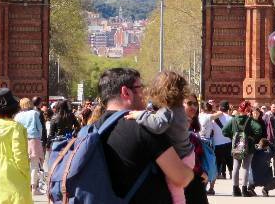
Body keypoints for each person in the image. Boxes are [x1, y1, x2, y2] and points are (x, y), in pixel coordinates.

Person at [91, 67, 193, 203]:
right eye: (140, 87)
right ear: (126, 92)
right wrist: (192, 172)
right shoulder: (144, 128)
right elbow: (181, 177)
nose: (144, 92)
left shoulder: (91, 130)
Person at [128, 70, 196, 204]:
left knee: (175, 191)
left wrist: (139, 115)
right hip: (187, 154)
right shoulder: (177, 108)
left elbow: (157, 125)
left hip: (181, 157)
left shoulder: (168, 111)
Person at [222, 100, 263, 197]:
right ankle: (244, 190)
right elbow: (258, 129)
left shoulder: (233, 119)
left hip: (236, 146)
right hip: (248, 147)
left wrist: (233, 137)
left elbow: (224, 131)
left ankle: (235, 189)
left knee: (236, 167)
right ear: (248, 110)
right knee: (245, 167)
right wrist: (251, 138)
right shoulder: (250, 120)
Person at [14, 97, 45, 196]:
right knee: (34, 166)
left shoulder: (17, 116)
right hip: (34, 139)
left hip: (21, 140)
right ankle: (34, 188)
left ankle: (25, 186)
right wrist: (39, 136)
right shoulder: (34, 113)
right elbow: (39, 127)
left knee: (24, 165)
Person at [197, 101, 219, 195]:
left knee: (202, 165)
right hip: (207, 143)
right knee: (211, 166)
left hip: (198, 141)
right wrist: (214, 109)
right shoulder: (206, 116)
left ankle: (204, 187)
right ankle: (211, 188)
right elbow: (220, 113)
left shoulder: (198, 116)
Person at [213, 101, 233, 180]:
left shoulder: (214, 118)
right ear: (228, 109)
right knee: (229, 158)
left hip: (217, 142)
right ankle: (232, 174)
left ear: (219, 108)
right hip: (228, 141)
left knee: (218, 159)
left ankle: (218, 173)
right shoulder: (231, 118)